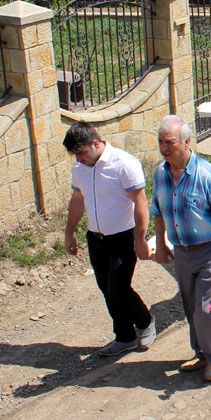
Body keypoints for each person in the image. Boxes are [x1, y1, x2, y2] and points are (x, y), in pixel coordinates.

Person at [150, 115, 211, 384]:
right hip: (182, 251)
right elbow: (157, 212)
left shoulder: (206, 174)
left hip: (210, 251)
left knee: (207, 307)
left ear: (187, 142)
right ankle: (201, 352)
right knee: (191, 306)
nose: (164, 148)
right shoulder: (160, 174)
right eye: (160, 142)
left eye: (169, 142)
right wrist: (160, 245)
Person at [62, 122, 156, 357]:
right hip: (96, 238)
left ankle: (145, 321)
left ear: (96, 143)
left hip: (123, 237)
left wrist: (140, 238)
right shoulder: (80, 167)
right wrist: (69, 232)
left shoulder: (124, 164)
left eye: (81, 153)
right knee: (106, 288)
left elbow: (141, 203)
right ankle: (124, 337)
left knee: (118, 288)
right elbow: (77, 200)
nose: (79, 159)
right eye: (76, 155)